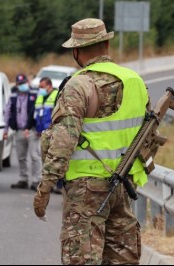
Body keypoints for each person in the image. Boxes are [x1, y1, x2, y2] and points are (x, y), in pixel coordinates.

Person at [33, 18, 151, 265]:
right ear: (106, 45)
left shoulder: (79, 85)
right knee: (122, 258)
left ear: (76, 51)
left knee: (82, 258)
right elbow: (147, 136)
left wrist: (45, 187)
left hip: (86, 190)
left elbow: (64, 141)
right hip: (124, 184)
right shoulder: (134, 81)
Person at [4, 74, 42, 191]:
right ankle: (23, 179)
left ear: (28, 82)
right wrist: (5, 130)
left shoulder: (35, 94)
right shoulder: (13, 96)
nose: (22, 85)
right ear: (16, 85)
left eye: (24, 83)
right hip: (19, 130)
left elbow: (41, 109)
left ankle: (37, 180)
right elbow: (7, 112)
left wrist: (40, 128)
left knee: (35, 156)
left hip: (32, 130)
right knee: (21, 157)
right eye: (20, 84)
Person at [34, 77, 62, 194]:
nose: (40, 89)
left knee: (56, 159)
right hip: (42, 133)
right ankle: (48, 184)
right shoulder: (40, 97)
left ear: (49, 86)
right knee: (45, 160)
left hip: (53, 133)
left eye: (42, 87)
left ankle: (59, 185)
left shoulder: (56, 95)